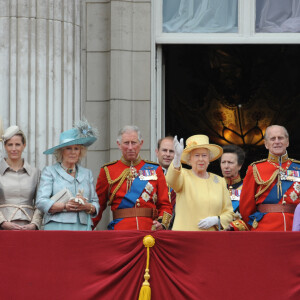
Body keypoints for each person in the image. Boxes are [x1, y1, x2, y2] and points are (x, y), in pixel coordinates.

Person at [92, 125, 173, 230]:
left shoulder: (155, 169)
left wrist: (162, 224)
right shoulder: (108, 171)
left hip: (149, 231)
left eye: (134, 143)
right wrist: (86, 229)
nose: (130, 147)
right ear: (119, 144)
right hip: (120, 232)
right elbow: (98, 206)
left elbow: (165, 204)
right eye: (126, 143)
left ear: (141, 144)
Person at [36, 120, 100, 230]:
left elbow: (95, 203)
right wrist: (65, 206)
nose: (73, 152)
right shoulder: (49, 171)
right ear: (61, 151)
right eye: (68, 148)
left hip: (83, 227)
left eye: (76, 148)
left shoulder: (87, 173)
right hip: (57, 226)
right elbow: (41, 201)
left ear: (81, 151)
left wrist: (87, 206)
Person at [166, 135, 233, 231]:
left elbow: (229, 213)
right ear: (190, 159)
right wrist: (177, 158)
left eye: (204, 155)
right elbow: (171, 180)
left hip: (211, 239)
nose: (201, 159)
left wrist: (217, 220)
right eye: (197, 155)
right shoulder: (182, 175)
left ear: (209, 159)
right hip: (185, 238)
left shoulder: (220, 181)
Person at [240, 125, 300, 231]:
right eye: (272, 139)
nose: (277, 141)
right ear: (266, 144)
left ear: (287, 142)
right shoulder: (255, 168)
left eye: (280, 138)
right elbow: (246, 207)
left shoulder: (298, 168)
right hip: (264, 229)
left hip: (295, 227)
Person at [0, 125, 43, 230]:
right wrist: (2, 222)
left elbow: (40, 203)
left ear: (24, 145)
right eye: (10, 145)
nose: (14, 149)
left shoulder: (35, 173)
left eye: (17, 144)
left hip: (28, 228)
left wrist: (34, 224)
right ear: (5, 146)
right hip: (2, 229)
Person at [156, 136, 176, 228]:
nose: (168, 154)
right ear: (157, 152)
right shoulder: (149, 175)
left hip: (178, 228)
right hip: (155, 227)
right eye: (164, 150)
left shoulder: (184, 176)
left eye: (171, 151)